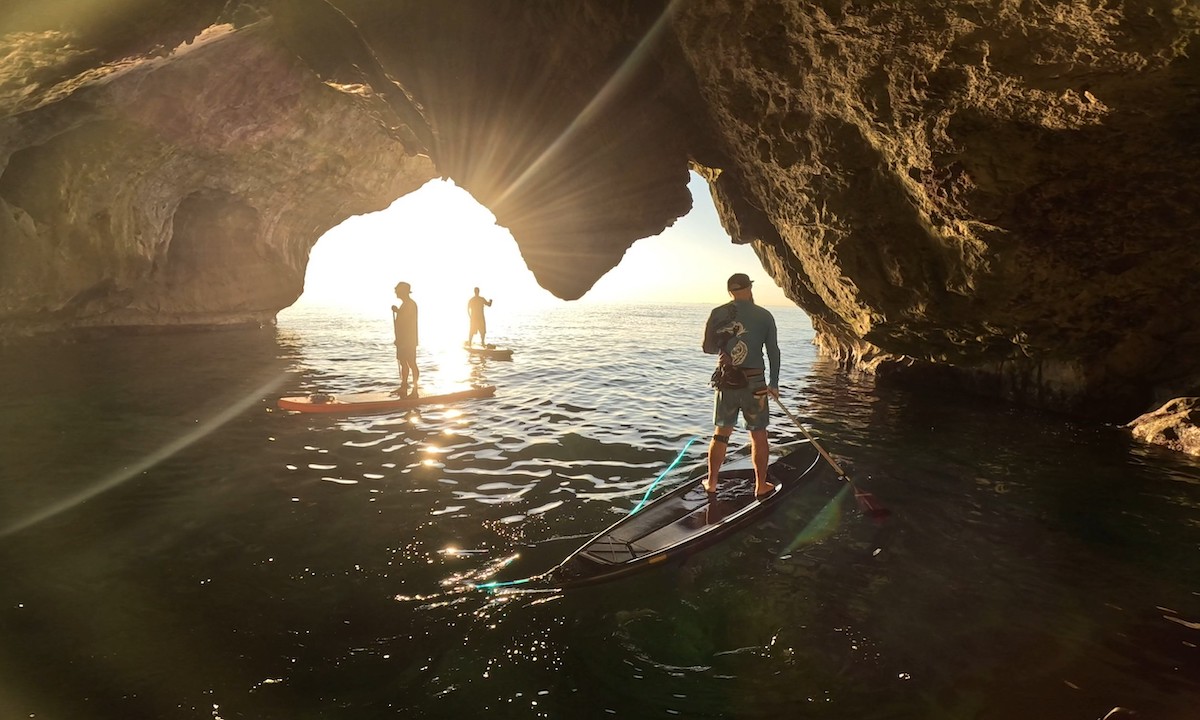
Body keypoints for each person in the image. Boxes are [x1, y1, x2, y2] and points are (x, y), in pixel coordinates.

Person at [702, 272, 780, 497]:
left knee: (721, 433)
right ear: (749, 289)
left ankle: (712, 482)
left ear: (730, 292)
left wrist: (726, 347)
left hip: (727, 381)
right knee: (758, 435)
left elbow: (707, 348)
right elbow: (773, 352)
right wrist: (774, 384)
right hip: (755, 383)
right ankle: (761, 485)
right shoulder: (764, 315)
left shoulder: (718, 313)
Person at [392, 281, 419, 396]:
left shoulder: (410, 304)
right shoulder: (405, 304)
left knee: (411, 363)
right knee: (403, 362)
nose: (396, 292)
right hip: (403, 340)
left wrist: (398, 311)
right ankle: (404, 386)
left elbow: (407, 321)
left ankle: (415, 389)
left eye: (397, 290)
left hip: (409, 340)